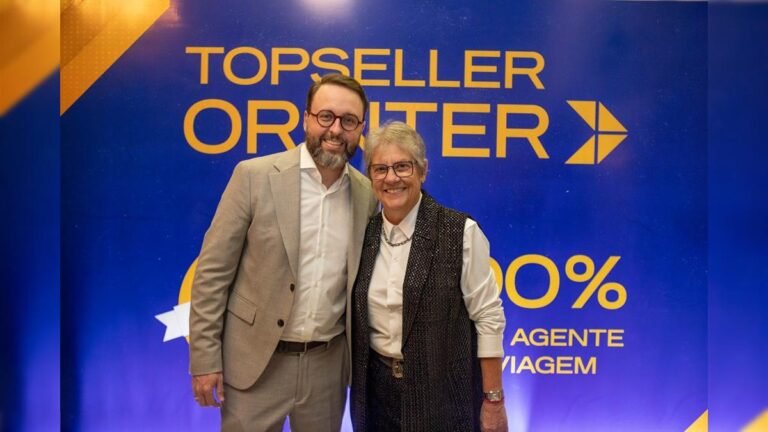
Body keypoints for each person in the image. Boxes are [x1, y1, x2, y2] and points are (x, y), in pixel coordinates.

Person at [189, 73, 377, 432]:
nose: (335, 130)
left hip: (326, 370)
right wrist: (204, 359)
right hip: (254, 365)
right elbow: (212, 274)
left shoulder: (367, 194)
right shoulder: (254, 176)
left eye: (348, 121)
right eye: (326, 116)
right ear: (306, 118)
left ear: (360, 129)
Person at [350, 121, 508, 431]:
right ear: (370, 177)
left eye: (402, 166)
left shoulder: (459, 232)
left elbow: (488, 318)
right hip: (375, 397)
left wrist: (493, 401)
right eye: (380, 169)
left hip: (442, 399)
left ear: (423, 171)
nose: (391, 178)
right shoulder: (363, 235)